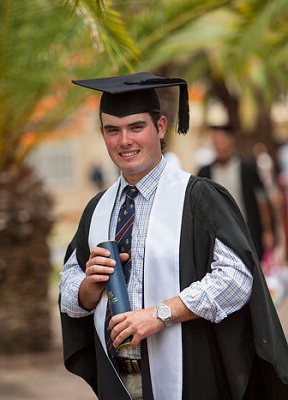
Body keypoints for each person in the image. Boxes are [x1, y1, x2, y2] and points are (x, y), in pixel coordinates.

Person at [59, 72, 288, 400]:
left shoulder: (198, 198)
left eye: (136, 127)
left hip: (190, 373)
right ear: (103, 134)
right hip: (122, 378)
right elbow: (68, 287)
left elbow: (237, 279)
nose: (125, 141)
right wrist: (87, 289)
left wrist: (160, 314)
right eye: (113, 130)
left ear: (161, 127)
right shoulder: (97, 209)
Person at [197, 124, 275, 261]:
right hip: (217, 235)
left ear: (231, 141)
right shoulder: (205, 172)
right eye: (215, 141)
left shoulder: (247, 169)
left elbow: (261, 199)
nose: (218, 145)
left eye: (222, 141)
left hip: (247, 230)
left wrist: (267, 229)